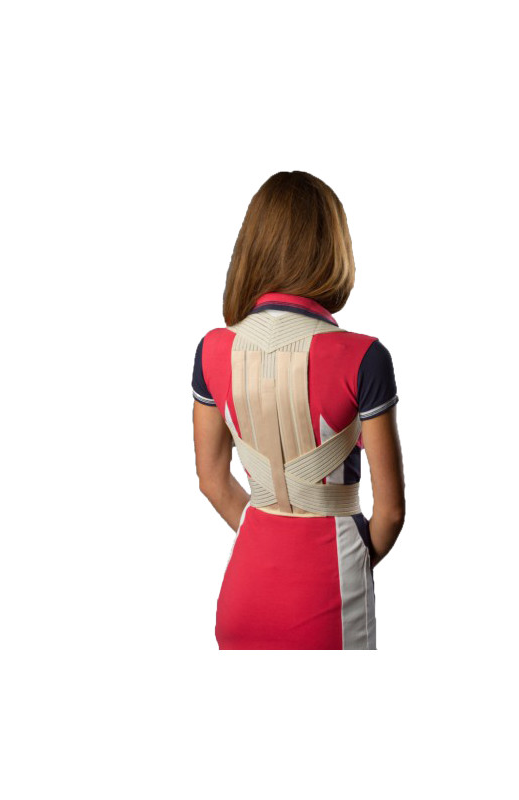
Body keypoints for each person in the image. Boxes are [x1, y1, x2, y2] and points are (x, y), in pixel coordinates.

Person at [191, 171, 405, 650]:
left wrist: (270, 531)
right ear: (332, 249)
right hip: (328, 590)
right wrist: (353, 556)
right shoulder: (364, 357)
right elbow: (390, 512)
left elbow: (212, 479)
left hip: (244, 589)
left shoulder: (212, 350)